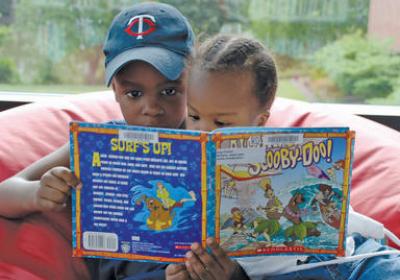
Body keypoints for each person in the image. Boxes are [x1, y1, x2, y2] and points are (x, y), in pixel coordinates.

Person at [165, 34, 400, 280]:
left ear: (261, 121)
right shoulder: (180, 171)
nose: (204, 131)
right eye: (193, 116)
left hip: (353, 262)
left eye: (221, 122)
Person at [0, 2, 195, 279]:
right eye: (134, 94)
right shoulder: (98, 143)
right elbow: (5, 192)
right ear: (115, 90)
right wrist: (38, 194)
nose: (152, 108)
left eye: (169, 90)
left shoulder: (207, 141)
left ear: (195, 81)